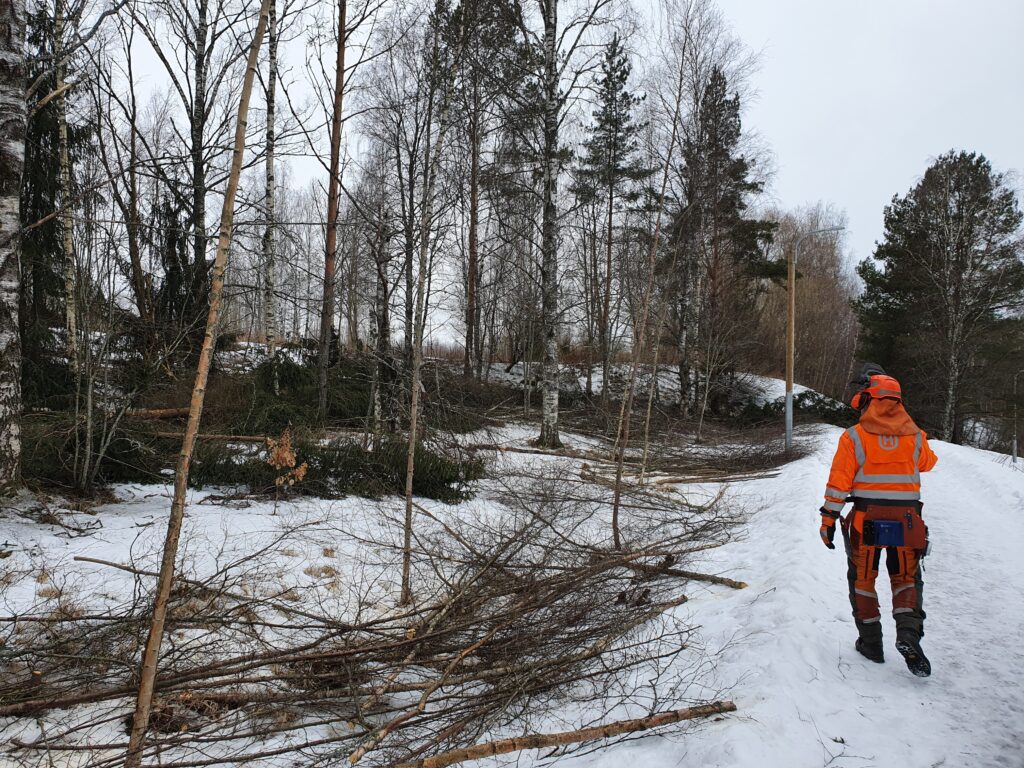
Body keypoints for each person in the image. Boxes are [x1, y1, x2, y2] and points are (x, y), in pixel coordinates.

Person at [819, 364, 938, 677]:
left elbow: (839, 481)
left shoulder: (854, 437)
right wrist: (908, 430)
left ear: (866, 398)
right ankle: (909, 635)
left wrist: (828, 517)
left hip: (865, 518)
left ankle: (871, 643)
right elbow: (927, 462)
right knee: (906, 578)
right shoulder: (914, 435)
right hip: (908, 519)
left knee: (863, 579)